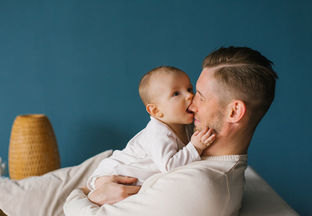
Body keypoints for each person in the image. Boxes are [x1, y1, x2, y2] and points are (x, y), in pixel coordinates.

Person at [0, 46, 277, 216]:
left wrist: (85, 193)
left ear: (234, 111)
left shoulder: (203, 186)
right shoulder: (203, 161)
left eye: (200, 96)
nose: (190, 102)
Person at [87, 65, 216, 192]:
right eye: (176, 93)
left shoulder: (185, 126)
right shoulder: (159, 132)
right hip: (114, 171)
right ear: (156, 110)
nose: (189, 95)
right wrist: (195, 147)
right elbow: (169, 167)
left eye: (189, 89)